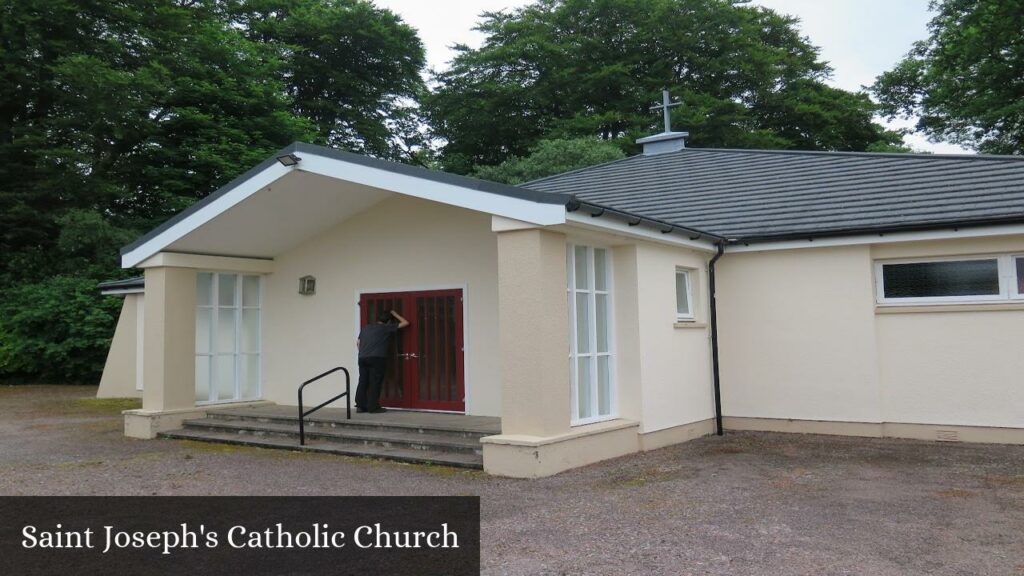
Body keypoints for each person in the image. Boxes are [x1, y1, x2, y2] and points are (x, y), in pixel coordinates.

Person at [355, 309, 409, 413]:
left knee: (363, 381)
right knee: (375, 382)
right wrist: (395, 314)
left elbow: (358, 343)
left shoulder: (366, 328)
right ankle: (373, 407)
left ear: (378, 319)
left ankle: (360, 406)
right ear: (389, 321)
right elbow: (406, 323)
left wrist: (363, 353)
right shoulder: (386, 328)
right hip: (377, 358)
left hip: (362, 357)